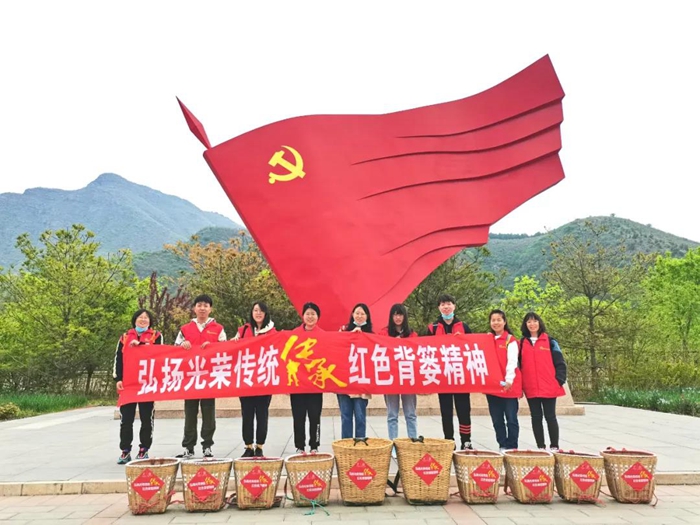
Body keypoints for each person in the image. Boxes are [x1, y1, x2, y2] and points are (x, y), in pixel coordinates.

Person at [175, 294, 227, 459]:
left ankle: (207, 446)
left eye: (206, 305)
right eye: (199, 305)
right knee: (190, 413)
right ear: (194, 308)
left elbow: (225, 349)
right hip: (190, 378)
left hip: (209, 377)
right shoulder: (185, 329)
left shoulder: (218, 328)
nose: (202, 308)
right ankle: (188, 447)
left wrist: (213, 346)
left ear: (210, 309)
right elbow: (175, 349)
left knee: (208, 413)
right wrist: (182, 345)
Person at [113, 309, 163, 464]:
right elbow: (118, 358)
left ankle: (144, 449)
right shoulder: (125, 337)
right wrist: (118, 378)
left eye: (146, 318)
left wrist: (141, 345)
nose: (143, 320)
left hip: (147, 384)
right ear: (134, 320)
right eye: (140, 317)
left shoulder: (156, 336)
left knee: (146, 418)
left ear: (150, 321)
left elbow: (159, 354)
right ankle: (125, 450)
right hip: (128, 384)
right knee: (126, 419)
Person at [426, 293, 473, 450]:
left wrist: (463, 340)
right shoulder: (432, 328)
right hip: (443, 377)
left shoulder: (464, 327)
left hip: (461, 376)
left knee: (464, 410)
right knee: (446, 411)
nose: (446, 307)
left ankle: (466, 441)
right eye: (443, 304)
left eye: (449, 304)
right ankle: (449, 440)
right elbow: (425, 349)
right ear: (439, 308)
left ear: (454, 306)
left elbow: (474, 348)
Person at [234, 301, 277, 457]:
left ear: (266, 314)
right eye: (255, 310)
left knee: (262, 414)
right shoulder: (243, 330)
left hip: (264, 381)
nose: (258, 313)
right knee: (247, 414)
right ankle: (248, 446)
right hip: (246, 380)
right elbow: (232, 348)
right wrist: (234, 342)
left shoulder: (272, 332)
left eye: (261, 311)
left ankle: (259, 446)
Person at [519, 312, 567, 452]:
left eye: (535, 321)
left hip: (549, 386)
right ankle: (540, 446)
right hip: (531, 387)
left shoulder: (550, 342)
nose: (532, 324)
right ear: (525, 325)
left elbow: (560, 363)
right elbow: (518, 365)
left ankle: (554, 446)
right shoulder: (521, 343)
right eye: (529, 321)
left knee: (550, 417)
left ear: (539, 323)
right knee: (536, 417)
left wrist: (559, 380)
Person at [379, 303, 418, 457]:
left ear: (404, 316)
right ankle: (393, 445)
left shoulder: (412, 334)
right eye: (395, 314)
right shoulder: (383, 333)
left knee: (410, 413)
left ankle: (412, 441)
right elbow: (378, 349)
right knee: (392, 415)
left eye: (400, 314)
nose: (398, 317)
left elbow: (417, 352)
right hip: (390, 379)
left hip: (407, 379)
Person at [485, 309, 521, 452]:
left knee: (511, 418)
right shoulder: (487, 340)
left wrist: (509, 380)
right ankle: (502, 445)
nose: (496, 323)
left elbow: (512, 361)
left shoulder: (510, 340)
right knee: (497, 419)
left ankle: (512, 446)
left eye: (499, 320)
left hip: (508, 386)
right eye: (493, 320)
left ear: (504, 322)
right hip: (493, 387)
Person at [290, 302, 324, 454]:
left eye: (313, 314)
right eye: (307, 314)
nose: (310, 317)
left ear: (318, 317)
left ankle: (314, 445)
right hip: (297, 384)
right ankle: (300, 446)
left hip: (315, 384)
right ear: (303, 316)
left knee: (315, 416)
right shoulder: (294, 335)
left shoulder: (323, 336)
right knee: (298, 417)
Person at [337, 303, 373, 439]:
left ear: (367, 316)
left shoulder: (371, 335)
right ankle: (346, 446)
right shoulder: (343, 331)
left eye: (362, 313)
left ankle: (360, 445)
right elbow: (336, 349)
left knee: (360, 416)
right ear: (352, 314)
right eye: (357, 313)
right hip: (344, 380)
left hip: (361, 381)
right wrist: (349, 336)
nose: (359, 316)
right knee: (346, 416)